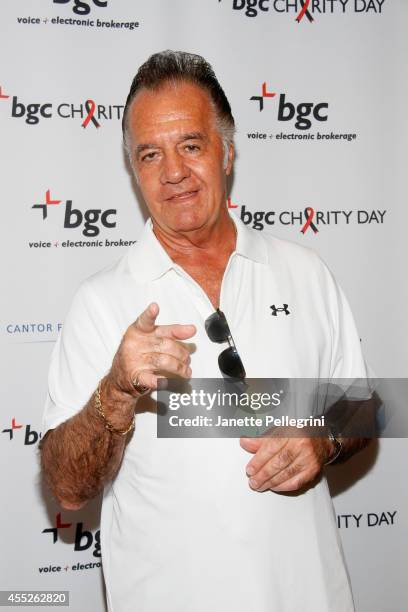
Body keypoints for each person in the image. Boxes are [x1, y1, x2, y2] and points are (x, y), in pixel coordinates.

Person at [41, 51, 371, 612]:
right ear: (133, 169)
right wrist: (115, 393)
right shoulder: (100, 302)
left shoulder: (305, 270)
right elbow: (67, 486)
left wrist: (325, 438)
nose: (173, 172)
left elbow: (362, 406)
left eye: (190, 145)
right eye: (150, 154)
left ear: (228, 151)